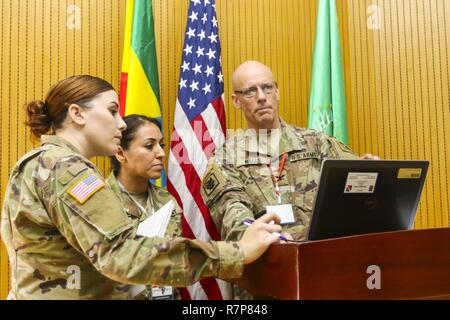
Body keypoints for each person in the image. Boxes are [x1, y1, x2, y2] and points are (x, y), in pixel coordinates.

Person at [0, 75, 282, 300]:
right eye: (112, 111)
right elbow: (121, 255)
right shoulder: (67, 168)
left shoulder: (35, 162)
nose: (121, 123)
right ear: (77, 114)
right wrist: (237, 252)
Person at [200, 60, 378, 299]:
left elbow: (358, 194)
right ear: (236, 101)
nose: (262, 97)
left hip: (326, 279)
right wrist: (269, 239)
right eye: (251, 91)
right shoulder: (225, 160)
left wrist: (370, 173)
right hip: (265, 288)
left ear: (278, 91)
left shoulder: (318, 143)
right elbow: (235, 219)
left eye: (268, 87)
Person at [108, 114, 181, 300]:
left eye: (161, 145)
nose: (161, 153)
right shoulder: (101, 201)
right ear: (120, 153)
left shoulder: (166, 200)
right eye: (149, 146)